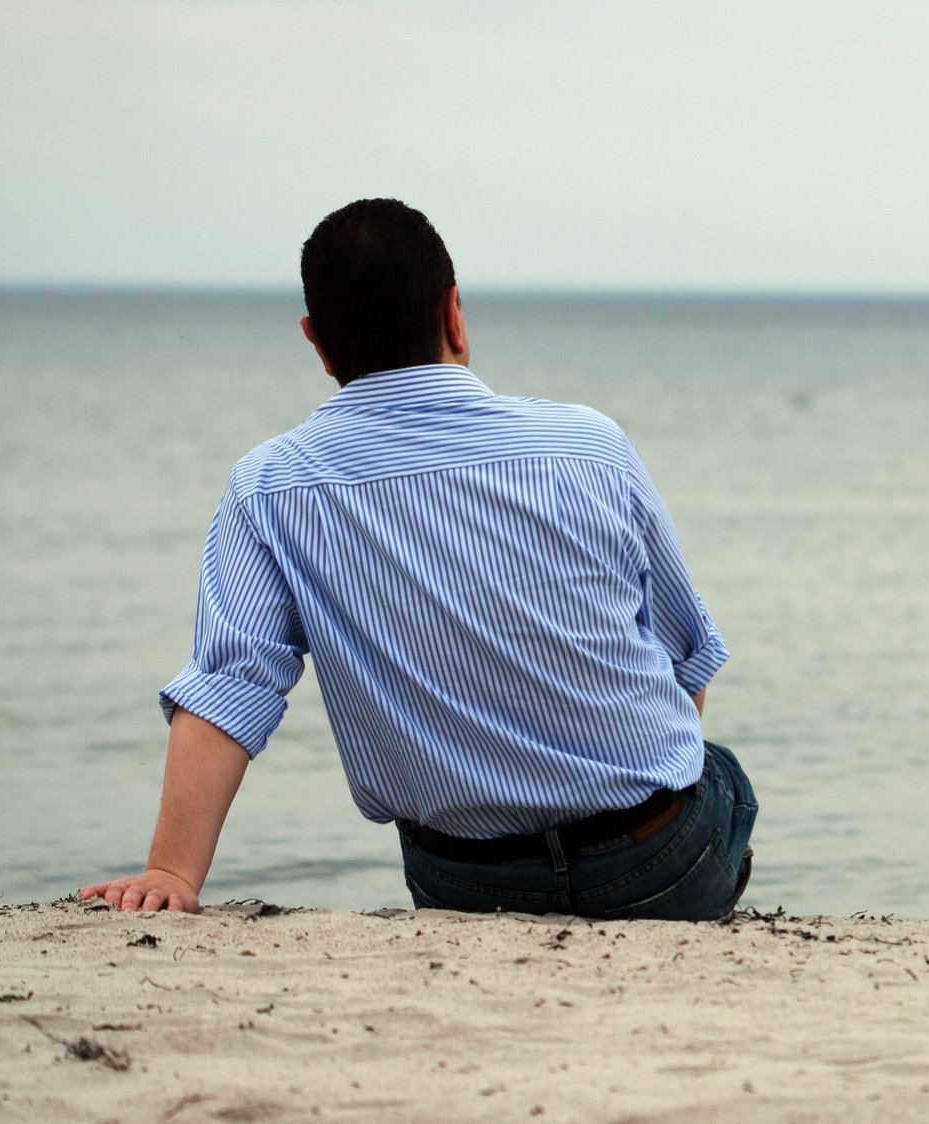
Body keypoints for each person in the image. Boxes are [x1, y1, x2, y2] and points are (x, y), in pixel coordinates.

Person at [80, 199, 754, 919]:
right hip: (657, 864)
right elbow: (684, 659)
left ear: (316, 342)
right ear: (453, 313)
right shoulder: (586, 445)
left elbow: (230, 686)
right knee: (717, 774)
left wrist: (170, 872)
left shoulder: (271, 486)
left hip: (466, 882)